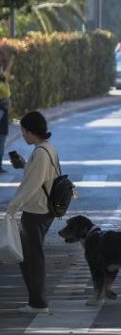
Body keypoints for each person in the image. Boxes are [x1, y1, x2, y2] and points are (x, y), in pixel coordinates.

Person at [4, 111, 59, 314]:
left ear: (30, 131)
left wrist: (12, 208)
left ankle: (38, 303)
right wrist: (24, 166)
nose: (23, 135)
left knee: (32, 258)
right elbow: (40, 176)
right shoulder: (47, 148)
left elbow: (33, 184)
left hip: (36, 210)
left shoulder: (41, 152)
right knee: (28, 256)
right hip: (43, 209)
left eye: (24, 131)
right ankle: (36, 301)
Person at [0, 55, 15, 172]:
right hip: (1, 110)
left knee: (3, 138)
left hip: (3, 112)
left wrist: (11, 59)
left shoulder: (3, 79)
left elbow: (7, 70)